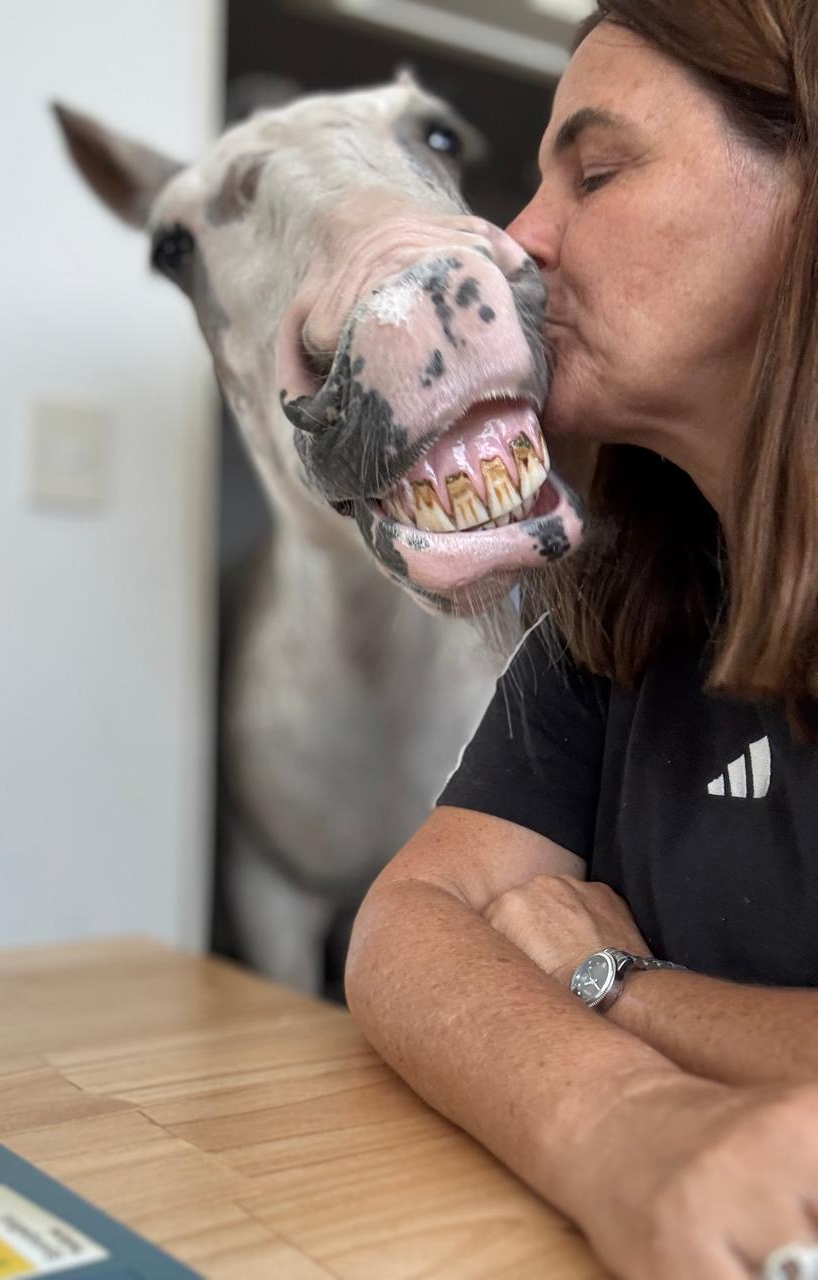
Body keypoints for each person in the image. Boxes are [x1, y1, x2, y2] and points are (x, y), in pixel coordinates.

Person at [344, 3, 818, 1279]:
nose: (515, 242)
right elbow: (408, 921)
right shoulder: (626, 590)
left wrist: (613, 982)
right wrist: (626, 1124)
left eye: (596, 172)